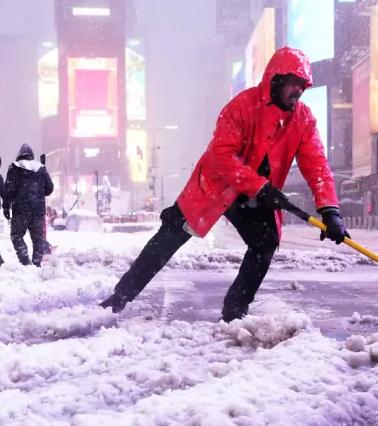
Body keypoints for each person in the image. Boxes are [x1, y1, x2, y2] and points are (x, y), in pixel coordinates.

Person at [100, 47, 348, 322]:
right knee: (169, 237)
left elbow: (317, 166)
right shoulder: (242, 106)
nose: (298, 91)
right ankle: (120, 297)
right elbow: (222, 156)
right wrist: (260, 186)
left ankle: (234, 312)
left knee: (265, 243)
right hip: (216, 186)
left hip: (254, 197)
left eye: (303, 86)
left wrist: (330, 210)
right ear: (276, 79)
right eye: (293, 83)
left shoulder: (303, 119)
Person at [3, 144, 54, 267]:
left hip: (20, 210)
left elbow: (8, 190)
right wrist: (39, 192)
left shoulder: (14, 168)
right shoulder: (41, 168)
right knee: (38, 239)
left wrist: (6, 207)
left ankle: (25, 260)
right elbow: (49, 188)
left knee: (16, 235)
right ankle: (37, 262)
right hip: (38, 211)